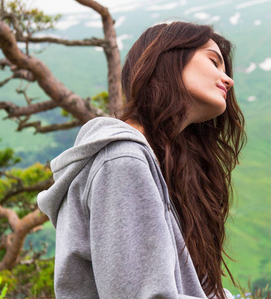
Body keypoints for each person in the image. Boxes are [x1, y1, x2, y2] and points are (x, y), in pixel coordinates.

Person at [37, 21, 246, 298]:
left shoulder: (165, 169)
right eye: (213, 61)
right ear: (169, 58)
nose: (228, 79)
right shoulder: (122, 160)